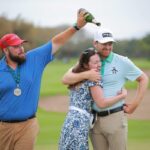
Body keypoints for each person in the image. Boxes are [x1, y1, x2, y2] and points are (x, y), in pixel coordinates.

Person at [0, 10, 88, 150]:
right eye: (15, 47)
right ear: (5, 50)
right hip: (3, 128)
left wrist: (76, 26)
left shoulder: (34, 58)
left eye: (21, 45)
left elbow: (56, 41)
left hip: (27, 125)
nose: (21, 49)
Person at [62, 28, 149, 150]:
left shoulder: (122, 61)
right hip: (94, 121)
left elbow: (143, 79)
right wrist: (87, 74)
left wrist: (135, 104)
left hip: (115, 118)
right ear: (95, 43)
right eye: (104, 44)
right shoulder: (89, 60)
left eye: (110, 44)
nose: (108, 47)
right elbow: (66, 79)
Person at [59, 47, 127, 150]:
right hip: (80, 124)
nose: (99, 64)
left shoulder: (76, 75)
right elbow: (101, 103)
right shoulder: (94, 78)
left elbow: (65, 78)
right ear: (86, 64)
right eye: (95, 62)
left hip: (69, 122)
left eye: (99, 61)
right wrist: (121, 96)